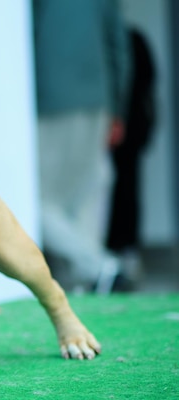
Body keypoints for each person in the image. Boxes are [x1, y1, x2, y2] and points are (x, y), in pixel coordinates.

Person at [32, 0, 131, 294]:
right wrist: (117, 108)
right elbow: (118, 47)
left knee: (35, 202)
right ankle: (87, 279)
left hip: (49, 102)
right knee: (82, 196)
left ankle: (97, 267)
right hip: (98, 99)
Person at [106, 27, 156, 288]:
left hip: (129, 125)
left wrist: (122, 117)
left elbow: (147, 84)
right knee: (108, 189)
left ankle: (125, 252)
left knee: (126, 189)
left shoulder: (134, 40)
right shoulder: (126, 40)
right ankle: (108, 256)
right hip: (113, 124)